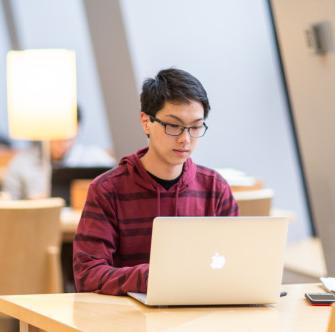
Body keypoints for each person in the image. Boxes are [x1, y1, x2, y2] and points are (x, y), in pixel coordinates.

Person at [73, 68, 239, 296]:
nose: (185, 139)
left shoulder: (215, 188)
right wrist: (152, 277)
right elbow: (87, 275)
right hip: (128, 321)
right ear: (146, 122)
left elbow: (237, 265)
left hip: (201, 314)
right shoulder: (107, 190)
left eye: (195, 127)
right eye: (173, 126)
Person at [3, 108, 115, 200]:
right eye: (57, 136)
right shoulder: (21, 163)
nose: (63, 143)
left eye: (68, 137)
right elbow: (9, 205)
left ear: (78, 129)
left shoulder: (96, 159)